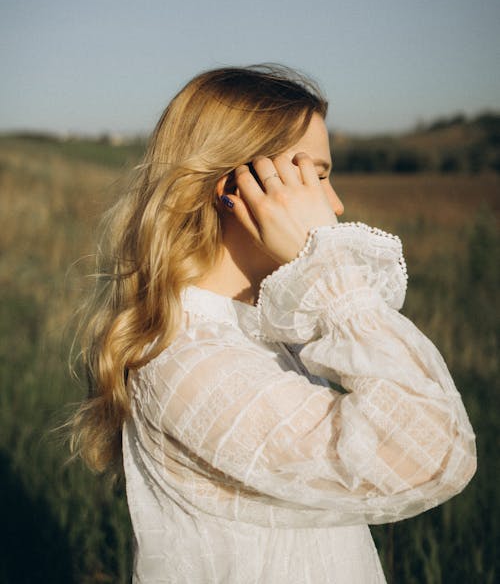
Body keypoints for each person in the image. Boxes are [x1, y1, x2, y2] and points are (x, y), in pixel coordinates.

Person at [70, 65, 476, 583]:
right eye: (318, 176)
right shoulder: (188, 360)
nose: (335, 204)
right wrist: (332, 274)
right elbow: (435, 450)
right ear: (237, 187)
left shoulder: (257, 327)